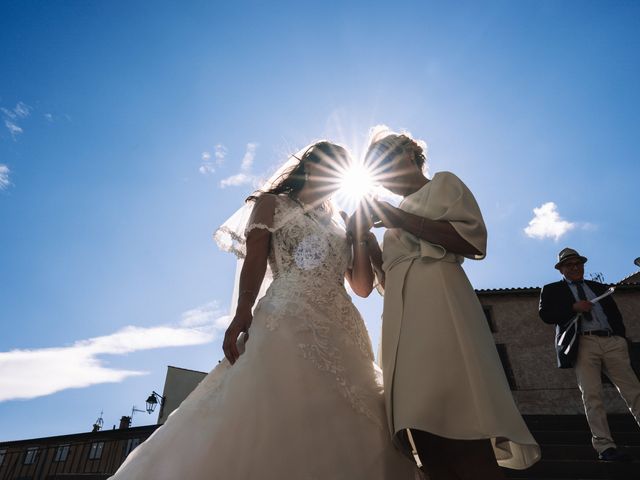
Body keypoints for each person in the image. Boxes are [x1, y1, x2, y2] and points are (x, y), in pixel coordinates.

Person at [109, 141, 422, 479]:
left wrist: (359, 236)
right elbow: (255, 259)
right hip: (287, 315)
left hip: (343, 326)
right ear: (311, 165)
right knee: (276, 406)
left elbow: (361, 287)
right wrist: (243, 311)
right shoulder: (270, 203)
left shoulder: (343, 219)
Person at [350, 126, 540, 480]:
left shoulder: (443, 184)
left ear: (408, 156)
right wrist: (366, 244)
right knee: (418, 430)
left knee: (459, 422)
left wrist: (398, 217)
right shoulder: (395, 221)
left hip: (441, 305)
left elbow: (472, 240)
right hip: (399, 321)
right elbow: (385, 283)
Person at [539, 247, 640, 462]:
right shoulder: (551, 290)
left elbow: (614, 314)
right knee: (592, 396)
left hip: (612, 341)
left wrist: (620, 338)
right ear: (561, 269)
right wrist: (573, 307)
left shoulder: (599, 287)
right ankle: (605, 448)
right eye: (569, 264)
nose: (575, 267)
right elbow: (546, 315)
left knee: (634, 390)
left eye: (578, 263)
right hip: (583, 343)